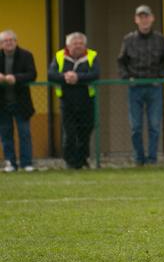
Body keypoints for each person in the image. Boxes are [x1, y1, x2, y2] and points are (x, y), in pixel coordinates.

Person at [117, 4, 164, 166]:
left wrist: (160, 77)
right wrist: (127, 77)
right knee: (135, 126)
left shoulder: (160, 39)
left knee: (154, 125)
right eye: (140, 17)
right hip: (134, 87)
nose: (144, 20)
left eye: (146, 16)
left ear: (152, 18)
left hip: (154, 87)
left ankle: (152, 159)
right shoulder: (128, 40)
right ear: (136, 20)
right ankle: (138, 159)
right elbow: (121, 62)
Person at [47, 32, 101, 169]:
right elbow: (51, 75)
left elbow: (95, 74)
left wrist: (78, 77)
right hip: (67, 101)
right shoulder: (59, 56)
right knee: (69, 133)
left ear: (85, 45)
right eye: (75, 43)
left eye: (81, 43)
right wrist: (65, 77)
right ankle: (70, 161)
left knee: (85, 132)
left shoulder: (92, 56)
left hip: (87, 101)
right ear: (68, 45)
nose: (78, 46)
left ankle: (82, 160)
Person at [0, 30, 36, 172]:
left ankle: (26, 163)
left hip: (22, 103)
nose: (9, 43)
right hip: (2, 104)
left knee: (25, 134)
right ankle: (10, 163)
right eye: (5, 41)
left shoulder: (26, 55)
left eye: (11, 40)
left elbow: (32, 74)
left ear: (16, 41)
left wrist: (16, 78)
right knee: (6, 135)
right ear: (1, 44)